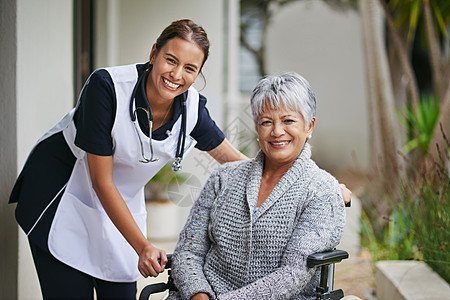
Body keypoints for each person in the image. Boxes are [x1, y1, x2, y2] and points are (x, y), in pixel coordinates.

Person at [9, 19, 350, 299]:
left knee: (121, 292)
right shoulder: (107, 88)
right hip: (61, 194)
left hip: (119, 201)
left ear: (198, 72)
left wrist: (323, 184)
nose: (176, 74)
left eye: (190, 68)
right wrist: (143, 246)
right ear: (154, 53)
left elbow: (233, 159)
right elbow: (100, 180)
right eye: (170, 60)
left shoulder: (190, 108)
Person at [168, 72, 346, 300]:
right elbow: (188, 251)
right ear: (256, 127)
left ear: (309, 126)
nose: (277, 131)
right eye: (266, 122)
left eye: (288, 120)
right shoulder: (223, 177)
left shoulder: (321, 190)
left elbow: (292, 274)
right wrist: (199, 295)